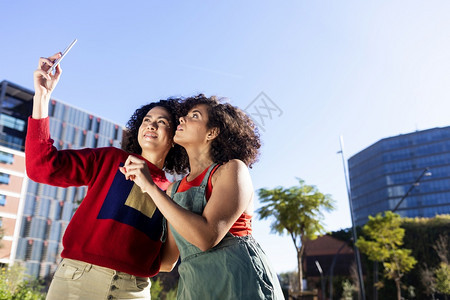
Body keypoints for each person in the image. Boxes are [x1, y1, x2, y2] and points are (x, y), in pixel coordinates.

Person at [26, 53, 187, 299]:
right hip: (77, 281)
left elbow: (167, 262)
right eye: (147, 120)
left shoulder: (175, 193)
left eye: (162, 122)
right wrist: (42, 97)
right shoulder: (110, 159)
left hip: (134, 290)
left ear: (175, 137)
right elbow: (41, 167)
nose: (151, 125)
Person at [120, 94, 284, 299]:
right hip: (195, 288)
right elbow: (168, 260)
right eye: (184, 115)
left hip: (240, 283)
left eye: (194, 116)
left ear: (212, 132)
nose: (182, 119)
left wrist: (150, 188)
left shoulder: (232, 170)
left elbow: (207, 237)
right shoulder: (174, 190)